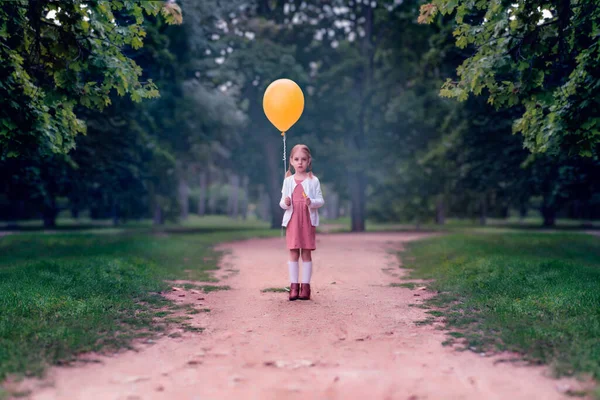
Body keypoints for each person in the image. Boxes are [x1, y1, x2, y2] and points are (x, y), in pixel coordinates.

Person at [279, 144, 324, 301]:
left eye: (303, 159)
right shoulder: (288, 181)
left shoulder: (313, 181)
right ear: (291, 161)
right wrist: (286, 202)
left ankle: (305, 287)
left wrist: (311, 202)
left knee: (306, 252)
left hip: (307, 220)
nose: (300, 163)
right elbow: (283, 204)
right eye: (296, 159)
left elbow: (320, 200)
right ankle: (293, 286)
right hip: (293, 220)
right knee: (293, 251)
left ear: (309, 161)